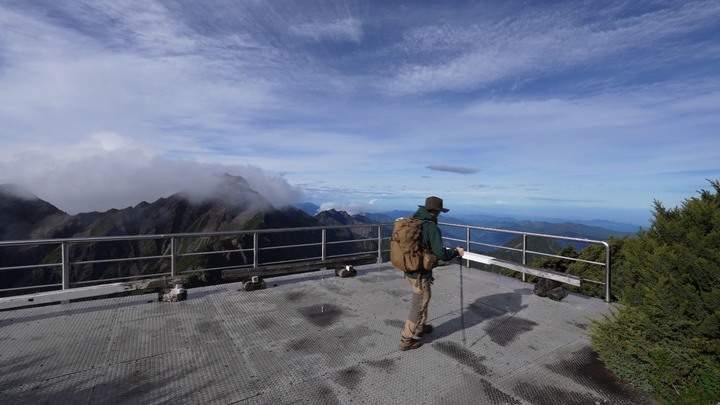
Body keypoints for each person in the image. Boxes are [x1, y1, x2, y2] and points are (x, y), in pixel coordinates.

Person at [400, 196, 464, 351]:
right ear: (436, 211)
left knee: (425, 297)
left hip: (410, 269)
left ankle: (421, 327)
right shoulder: (431, 227)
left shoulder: (414, 221)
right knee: (419, 304)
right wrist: (456, 252)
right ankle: (406, 339)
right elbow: (441, 253)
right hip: (420, 274)